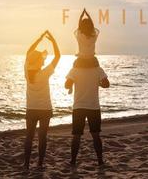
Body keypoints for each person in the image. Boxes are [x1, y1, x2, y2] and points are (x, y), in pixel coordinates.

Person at [65, 9, 110, 166]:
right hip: (93, 107)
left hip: (78, 107)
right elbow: (107, 85)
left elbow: (66, 85)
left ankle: (72, 161)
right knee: (96, 135)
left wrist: (70, 84)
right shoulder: (93, 36)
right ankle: (100, 161)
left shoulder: (75, 68)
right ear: (91, 26)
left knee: (76, 136)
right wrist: (98, 82)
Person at [23, 30, 61, 169]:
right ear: (39, 61)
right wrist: (53, 41)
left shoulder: (27, 71)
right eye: (42, 59)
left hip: (31, 109)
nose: (44, 60)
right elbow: (58, 56)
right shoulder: (45, 72)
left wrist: (39, 39)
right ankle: (39, 163)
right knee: (42, 137)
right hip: (45, 109)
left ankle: (26, 163)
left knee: (29, 137)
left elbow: (28, 52)